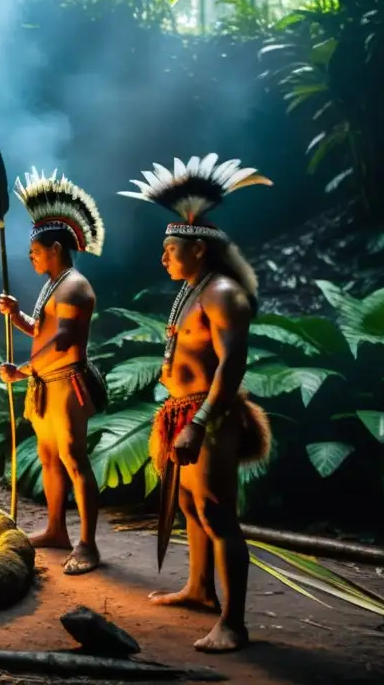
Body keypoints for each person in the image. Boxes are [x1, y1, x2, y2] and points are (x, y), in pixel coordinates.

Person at [118, 153, 273, 652]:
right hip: (182, 411)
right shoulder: (192, 290)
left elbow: (231, 365)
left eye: (170, 250)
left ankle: (234, 623)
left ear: (198, 252)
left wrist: (201, 421)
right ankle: (201, 589)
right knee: (189, 504)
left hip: (210, 414)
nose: (162, 258)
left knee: (216, 511)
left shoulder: (222, 292)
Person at [0, 167, 108, 575]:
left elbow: (61, 343)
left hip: (65, 384)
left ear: (56, 248)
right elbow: (43, 331)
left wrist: (23, 370)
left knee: (74, 460)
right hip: (46, 385)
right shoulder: (54, 283)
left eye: (35, 253)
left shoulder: (75, 286)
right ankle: (57, 529)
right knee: (48, 459)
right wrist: (18, 318)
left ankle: (89, 544)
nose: (31, 259)